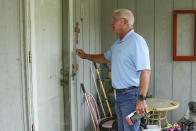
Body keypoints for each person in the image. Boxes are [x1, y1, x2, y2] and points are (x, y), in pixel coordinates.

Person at [76, 9, 151, 131]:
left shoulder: (137, 41)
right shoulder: (118, 44)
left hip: (131, 97)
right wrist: (86, 56)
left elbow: (146, 71)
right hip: (119, 96)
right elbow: (105, 58)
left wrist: (141, 99)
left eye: (114, 20)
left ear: (125, 22)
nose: (111, 23)